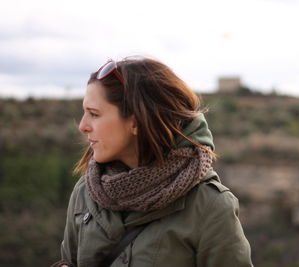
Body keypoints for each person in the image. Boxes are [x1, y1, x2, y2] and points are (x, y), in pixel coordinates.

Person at [52, 56, 253, 267]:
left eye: (94, 114)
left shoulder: (209, 206)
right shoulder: (86, 191)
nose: (82, 126)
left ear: (135, 122)